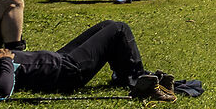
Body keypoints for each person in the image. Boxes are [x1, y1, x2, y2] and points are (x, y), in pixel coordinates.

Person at [11, 18, 151, 94]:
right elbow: (3, 88)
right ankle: (139, 79)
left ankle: (125, 76)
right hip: (63, 71)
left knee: (108, 25)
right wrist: (5, 60)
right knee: (120, 28)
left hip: (55, 59)